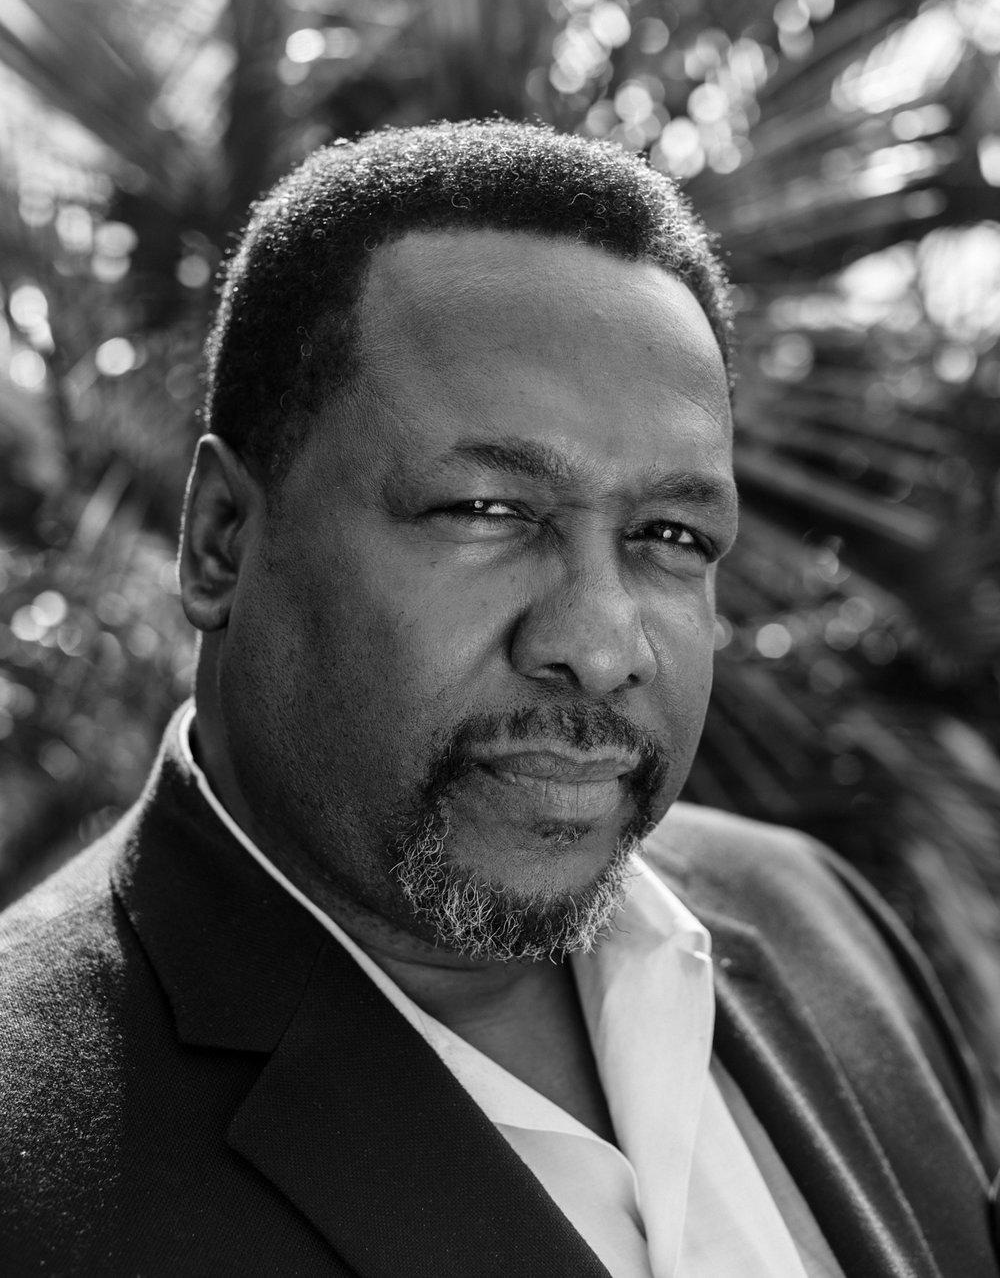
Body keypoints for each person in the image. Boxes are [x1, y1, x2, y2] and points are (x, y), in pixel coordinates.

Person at [0, 120, 996, 1278]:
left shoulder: (822, 925)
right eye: (486, 510)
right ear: (221, 538)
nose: (598, 643)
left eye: (670, 535)